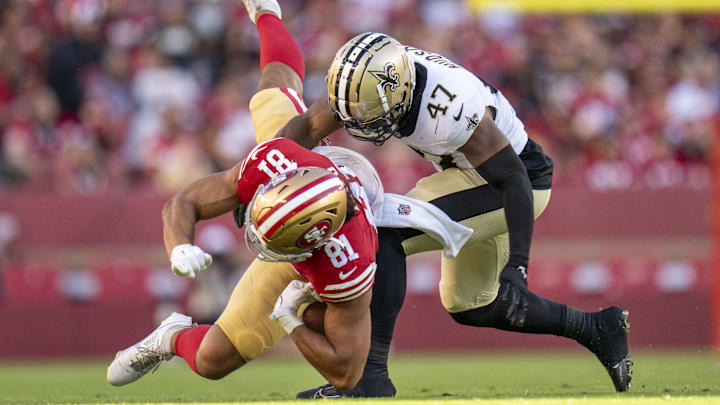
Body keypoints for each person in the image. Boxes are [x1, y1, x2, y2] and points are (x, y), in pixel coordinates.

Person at [106, 0, 469, 392]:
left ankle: (171, 337)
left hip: (328, 248)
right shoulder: (275, 160)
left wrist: (290, 318)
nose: (258, 245)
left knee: (213, 360)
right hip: (309, 169)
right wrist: (178, 245)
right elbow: (183, 201)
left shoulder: (347, 260)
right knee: (274, 91)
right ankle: (267, 12)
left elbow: (346, 371)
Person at [276, 33, 632, 398]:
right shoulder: (369, 81)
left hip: (515, 184)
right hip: (473, 174)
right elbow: (305, 127)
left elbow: (513, 179)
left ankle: (371, 378)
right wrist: (261, 179)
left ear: (397, 90)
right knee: (472, 305)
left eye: (369, 114)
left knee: (382, 230)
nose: (361, 124)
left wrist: (520, 266)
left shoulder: (445, 105)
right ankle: (595, 327)